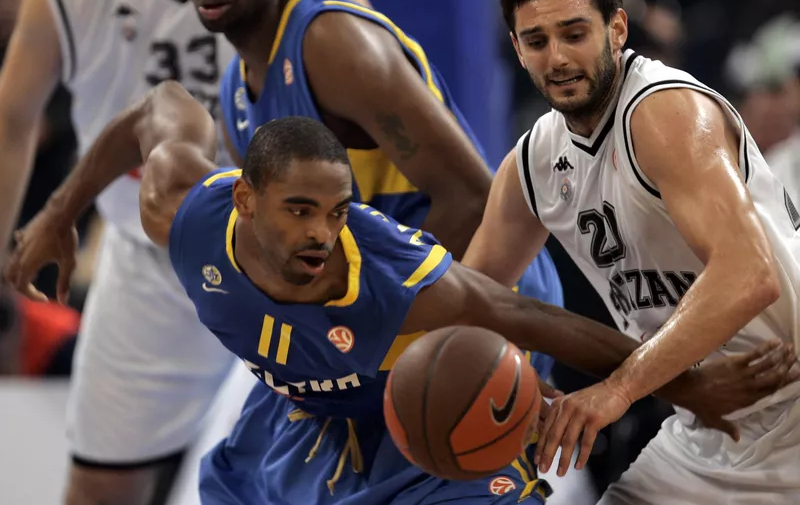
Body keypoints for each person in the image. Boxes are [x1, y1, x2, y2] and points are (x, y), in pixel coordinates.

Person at [6, 80, 797, 504]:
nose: (321, 233)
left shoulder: (391, 285)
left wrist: (687, 385)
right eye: (300, 211)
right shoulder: (184, 213)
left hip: (428, 396)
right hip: (306, 409)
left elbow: (527, 315)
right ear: (246, 202)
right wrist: (57, 212)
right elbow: (157, 108)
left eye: (337, 212)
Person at [0, 0, 368, 503]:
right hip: (151, 266)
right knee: (99, 486)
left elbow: (397, 124)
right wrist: (54, 215)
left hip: (303, 274)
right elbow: (16, 121)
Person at [462, 0, 800, 503]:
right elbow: (471, 300)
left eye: (574, 33)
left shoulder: (664, 112)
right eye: (537, 41)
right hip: (709, 425)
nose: (558, 58)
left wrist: (617, 390)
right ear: (518, 51)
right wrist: (521, 395)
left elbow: (749, 272)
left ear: (617, 28)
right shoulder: (533, 162)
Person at [178, 0, 563, 378]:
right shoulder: (234, 92)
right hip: (369, 324)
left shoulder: (332, 46)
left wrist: (379, 326)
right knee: (247, 449)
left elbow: (470, 200)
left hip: (478, 294)